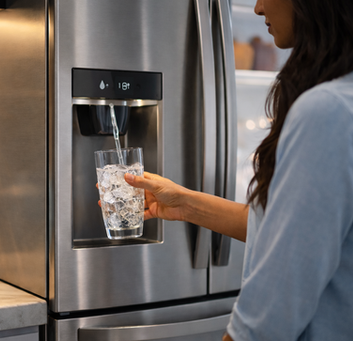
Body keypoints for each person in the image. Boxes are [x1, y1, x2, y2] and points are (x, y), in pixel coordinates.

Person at [122, 0, 353, 340]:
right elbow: (294, 232)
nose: (258, 7)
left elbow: (267, 319)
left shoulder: (327, 112)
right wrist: (184, 203)